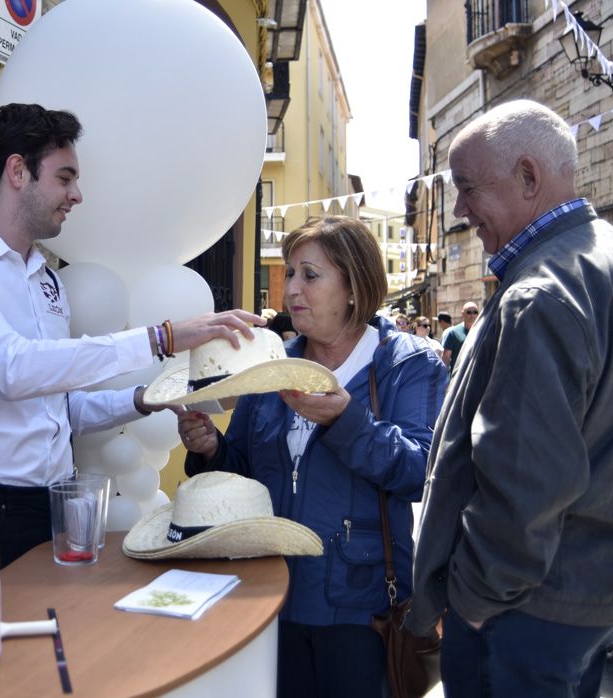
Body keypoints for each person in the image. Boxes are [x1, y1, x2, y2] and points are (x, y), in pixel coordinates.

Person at [0, 103, 261, 568]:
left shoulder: (49, 280)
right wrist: (163, 337)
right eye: (65, 177)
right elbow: (12, 369)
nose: (77, 195)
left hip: (50, 505)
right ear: (18, 171)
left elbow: (59, 408)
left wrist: (147, 397)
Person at [407, 100, 613, 696]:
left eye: (467, 188)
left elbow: (525, 481)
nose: (458, 209)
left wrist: (477, 601)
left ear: (529, 177)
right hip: (587, 592)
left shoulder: (541, 292)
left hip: (524, 613)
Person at [178, 216, 447, 697]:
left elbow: (419, 472)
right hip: (269, 596)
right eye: (290, 273)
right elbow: (245, 474)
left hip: (360, 606)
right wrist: (211, 449)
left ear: (353, 285)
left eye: (310, 274)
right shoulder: (271, 364)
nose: (291, 290)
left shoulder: (408, 363)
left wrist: (346, 422)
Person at [440, 301, 478, 372]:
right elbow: (446, 358)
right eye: (469, 312)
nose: (472, 315)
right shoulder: (453, 333)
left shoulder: (481, 331)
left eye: (475, 312)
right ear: (463, 314)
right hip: (459, 376)